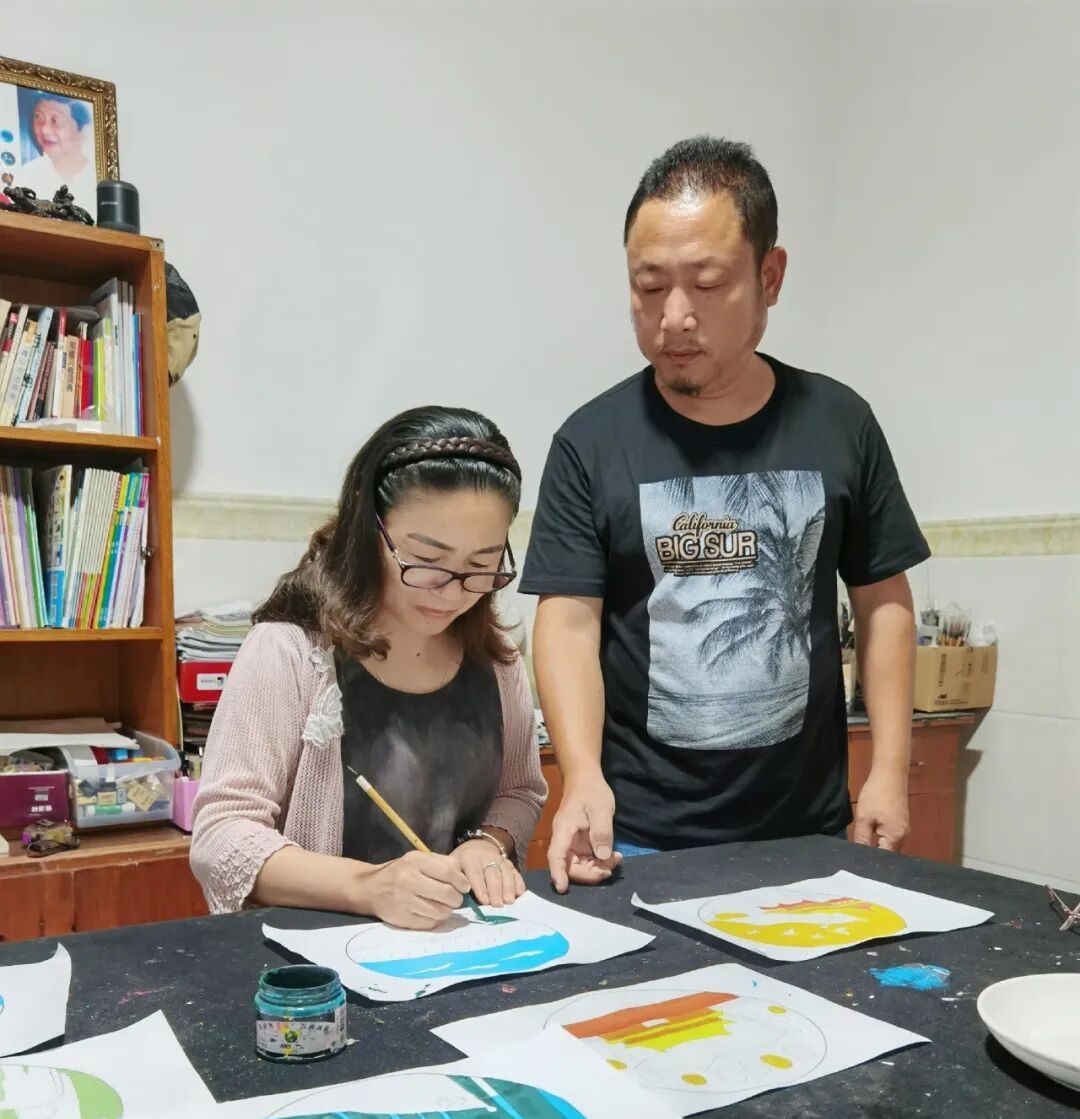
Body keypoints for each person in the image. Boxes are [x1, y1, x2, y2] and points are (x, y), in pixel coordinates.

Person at [521, 136, 930, 892]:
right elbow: (569, 620)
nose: (674, 317)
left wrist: (888, 771)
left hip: (810, 831)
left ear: (769, 277)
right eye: (649, 287)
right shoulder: (590, 441)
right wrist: (580, 775)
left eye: (707, 284)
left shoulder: (840, 422)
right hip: (638, 838)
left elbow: (883, 602)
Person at [190, 406, 545, 930]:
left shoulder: (496, 659)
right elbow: (221, 837)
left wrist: (487, 844)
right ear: (368, 525)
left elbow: (520, 791)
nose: (451, 594)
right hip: (322, 955)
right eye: (426, 561)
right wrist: (369, 887)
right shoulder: (291, 651)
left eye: (480, 566)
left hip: (460, 946)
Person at [18, 93, 96, 216]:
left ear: (82, 129)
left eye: (55, 121)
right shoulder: (27, 174)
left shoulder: (96, 178)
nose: (44, 130)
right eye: (38, 117)